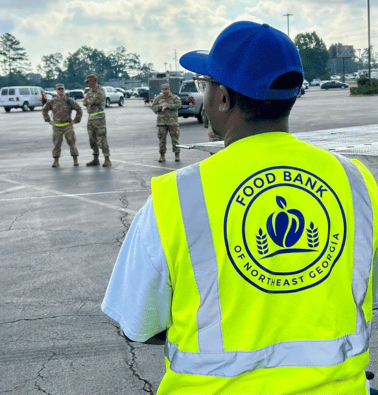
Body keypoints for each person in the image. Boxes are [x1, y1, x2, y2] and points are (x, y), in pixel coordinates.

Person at [102, 21, 378, 394]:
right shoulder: (356, 181)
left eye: (205, 84)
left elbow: (138, 325)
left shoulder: (176, 198)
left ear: (224, 99)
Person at [42, 83, 82, 168]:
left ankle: (75, 160)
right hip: (57, 127)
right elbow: (44, 110)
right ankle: (56, 161)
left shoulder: (69, 101)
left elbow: (79, 109)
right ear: (56, 90)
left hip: (67, 125)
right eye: (59, 89)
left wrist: (75, 121)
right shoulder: (52, 102)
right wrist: (49, 120)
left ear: (64, 90)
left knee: (72, 142)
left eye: (62, 89)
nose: (60, 91)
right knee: (57, 144)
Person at [83, 74, 112, 167]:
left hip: (99, 118)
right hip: (91, 118)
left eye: (88, 82)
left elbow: (93, 101)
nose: (87, 84)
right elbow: (84, 102)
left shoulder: (100, 91)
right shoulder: (89, 92)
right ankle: (96, 159)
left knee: (102, 139)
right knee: (92, 140)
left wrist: (89, 101)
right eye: (86, 82)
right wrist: (88, 101)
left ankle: (107, 159)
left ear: (93, 81)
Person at [151, 83, 182, 162]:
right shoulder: (158, 98)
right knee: (162, 140)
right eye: (164, 92)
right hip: (162, 122)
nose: (165, 94)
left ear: (169, 90)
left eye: (166, 92)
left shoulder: (174, 97)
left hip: (173, 122)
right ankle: (162, 156)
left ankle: (177, 155)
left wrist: (169, 106)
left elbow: (179, 105)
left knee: (175, 139)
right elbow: (153, 107)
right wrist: (160, 106)